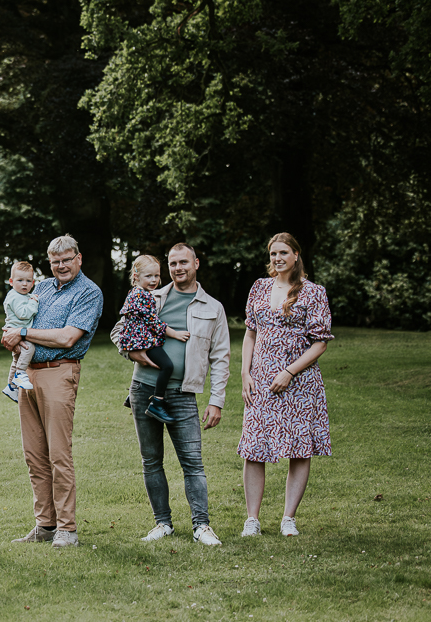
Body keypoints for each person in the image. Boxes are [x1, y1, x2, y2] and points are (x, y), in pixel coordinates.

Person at [111, 243, 230, 546]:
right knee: (151, 461)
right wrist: (134, 354)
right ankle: (162, 523)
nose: (178, 268)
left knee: (193, 462)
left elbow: (221, 357)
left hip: (182, 393)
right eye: (173, 263)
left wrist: (216, 400)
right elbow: (118, 332)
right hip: (143, 388)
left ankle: (201, 525)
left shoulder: (212, 308)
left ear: (196, 264)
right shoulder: (152, 297)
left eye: (183, 262)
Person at [2, 234, 103, 549]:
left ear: (79, 258)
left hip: (60, 372)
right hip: (27, 373)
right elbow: (19, 314)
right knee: (34, 455)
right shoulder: (41, 287)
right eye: (55, 261)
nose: (61, 265)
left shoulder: (89, 292)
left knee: (59, 453)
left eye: (67, 259)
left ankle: (67, 529)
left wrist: (20, 332)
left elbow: (66, 338)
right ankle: (45, 524)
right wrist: (13, 336)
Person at [239, 232, 333, 538]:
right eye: (273, 254)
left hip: (299, 382)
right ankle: (252, 519)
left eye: (283, 253)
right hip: (262, 379)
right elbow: (250, 333)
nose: (277, 259)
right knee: (254, 447)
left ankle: (288, 518)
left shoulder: (313, 292)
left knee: (299, 447)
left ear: (295, 255)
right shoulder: (259, 287)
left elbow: (320, 343)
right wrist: (245, 373)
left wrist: (289, 372)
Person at [117, 255, 190, 423]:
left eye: (156, 276)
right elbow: (154, 323)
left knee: (159, 363)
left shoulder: (135, 292)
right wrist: (175, 333)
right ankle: (157, 402)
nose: (154, 280)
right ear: (136, 276)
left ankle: (131, 396)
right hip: (141, 340)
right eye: (148, 276)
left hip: (136, 338)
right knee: (167, 366)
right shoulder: (143, 296)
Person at [1, 260, 39, 403]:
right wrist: (34, 302)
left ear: (33, 282)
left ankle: (11, 387)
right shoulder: (15, 296)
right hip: (16, 331)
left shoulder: (22, 296)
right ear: (11, 281)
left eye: (28, 281)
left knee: (17, 358)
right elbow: (24, 313)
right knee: (29, 348)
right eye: (20, 280)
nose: (24, 284)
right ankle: (20, 373)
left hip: (18, 330)